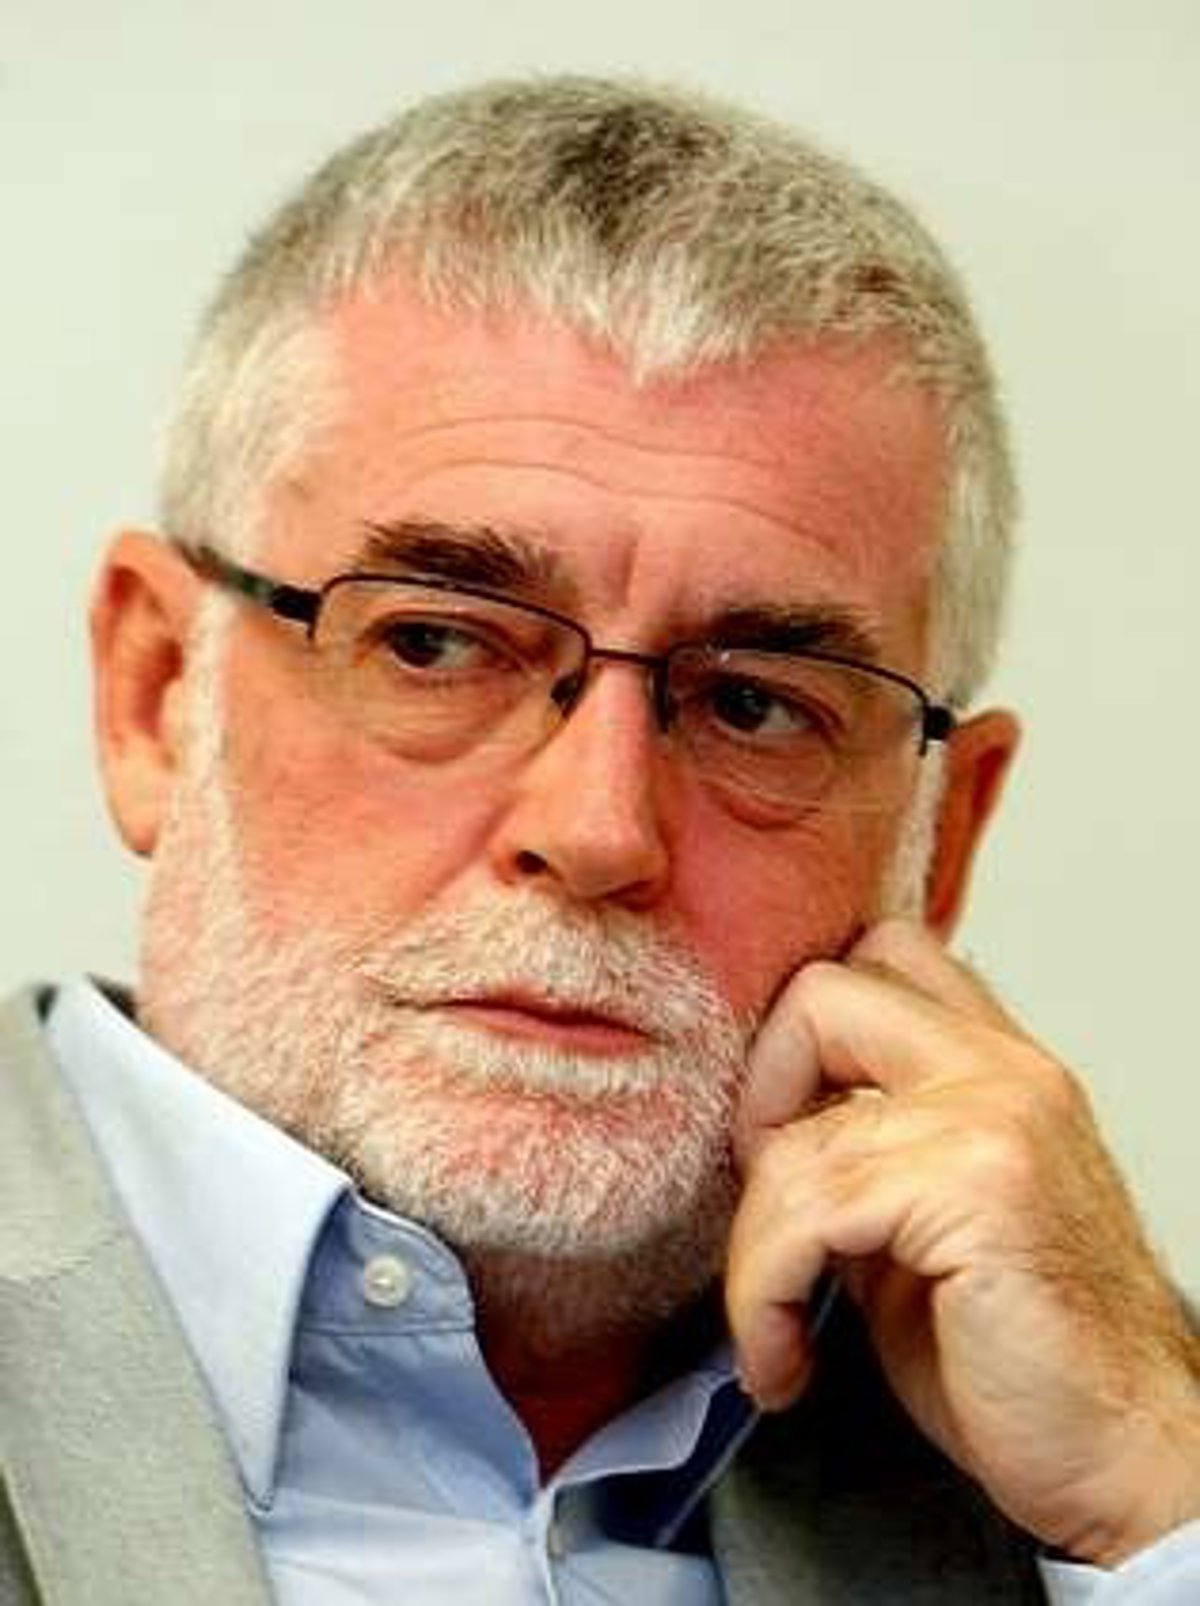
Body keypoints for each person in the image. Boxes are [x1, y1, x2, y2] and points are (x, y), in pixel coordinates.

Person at [1, 74, 1196, 1605]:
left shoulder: (1115, 1460)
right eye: (437, 643)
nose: (598, 827)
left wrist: (1163, 1506)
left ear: (941, 837)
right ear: (158, 696)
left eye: (755, 704)